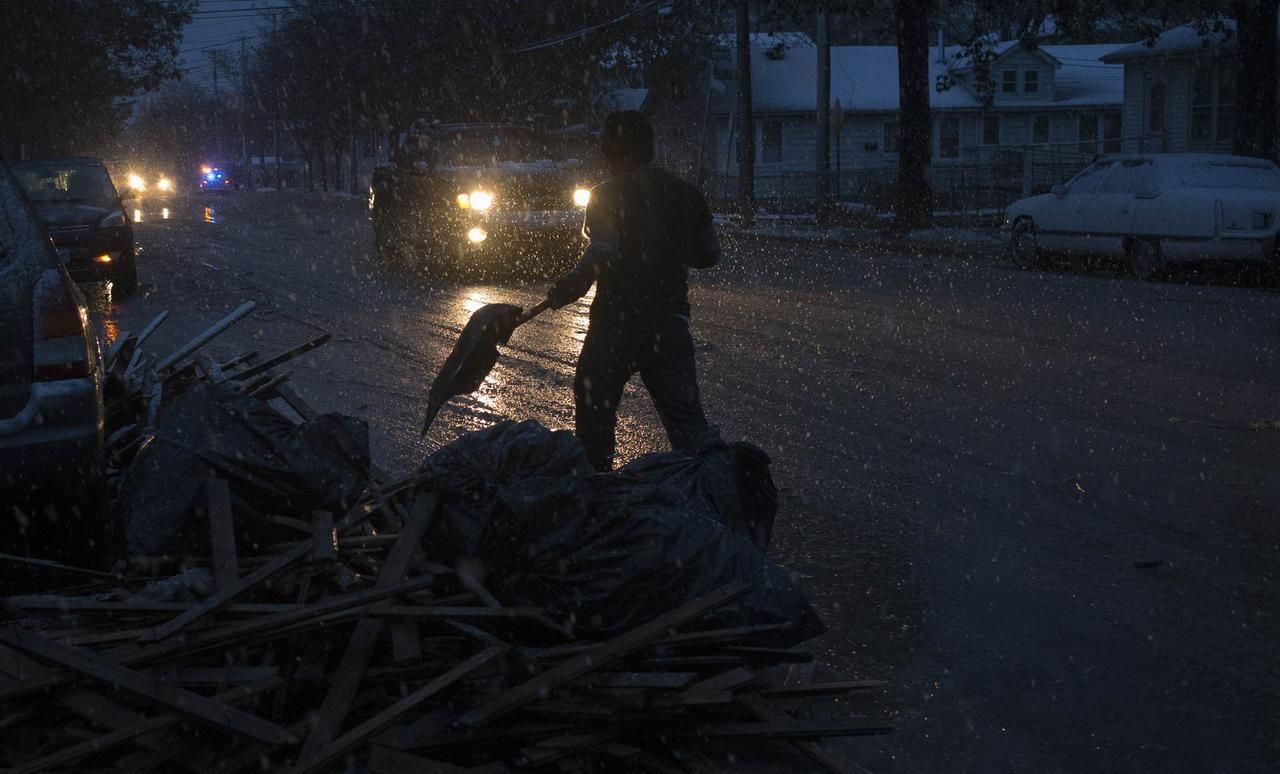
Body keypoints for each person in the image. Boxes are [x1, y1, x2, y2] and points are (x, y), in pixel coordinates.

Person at [543, 110, 721, 471]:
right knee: (687, 426)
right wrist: (665, 245)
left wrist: (568, 288)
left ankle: (596, 494)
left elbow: (603, 249)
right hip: (669, 327)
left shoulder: (605, 195)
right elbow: (708, 255)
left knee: (594, 414)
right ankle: (716, 492)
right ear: (649, 148)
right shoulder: (687, 194)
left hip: (615, 328)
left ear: (612, 151)